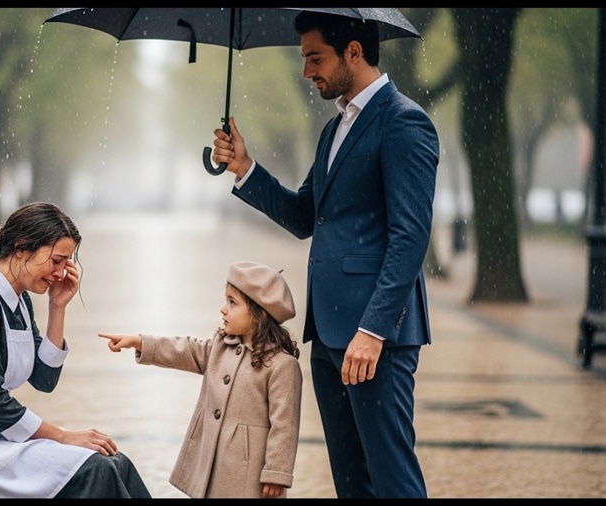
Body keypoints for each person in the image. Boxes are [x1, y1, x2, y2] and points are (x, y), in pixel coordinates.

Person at [209, 11, 439, 499]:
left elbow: (409, 238)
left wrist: (374, 331)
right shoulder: (333, 131)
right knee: (352, 482)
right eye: (304, 59)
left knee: (392, 479)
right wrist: (245, 167)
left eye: (316, 58)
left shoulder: (405, 123)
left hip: (375, 339)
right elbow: (303, 216)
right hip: (330, 335)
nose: (306, 71)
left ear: (353, 52)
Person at [0, 201, 150, 499]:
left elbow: (44, 379)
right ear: (21, 248)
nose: (62, 273)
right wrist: (63, 436)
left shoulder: (18, 300)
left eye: (66, 264)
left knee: (115, 463)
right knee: (95, 470)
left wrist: (57, 306)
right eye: (57, 261)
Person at [99, 260, 302, 499]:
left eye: (233, 303)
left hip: (249, 473)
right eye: (226, 300)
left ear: (259, 314)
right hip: (212, 464)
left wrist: (276, 473)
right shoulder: (220, 347)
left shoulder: (282, 365)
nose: (223, 309)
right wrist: (140, 342)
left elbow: (285, 425)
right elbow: (185, 349)